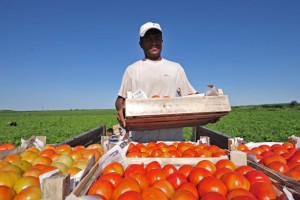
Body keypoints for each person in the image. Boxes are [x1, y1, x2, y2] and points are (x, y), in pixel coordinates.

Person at [115, 22, 198, 143]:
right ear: (141, 44)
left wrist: (211, 106)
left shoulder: (176, 68)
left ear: (162, 42)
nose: (154, 42)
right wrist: (120, 108)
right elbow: (120, 99)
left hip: (174, 142)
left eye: (157, 38)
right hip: (141, 143)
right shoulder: (132, 70)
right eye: (148, 39)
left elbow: (191, 96)